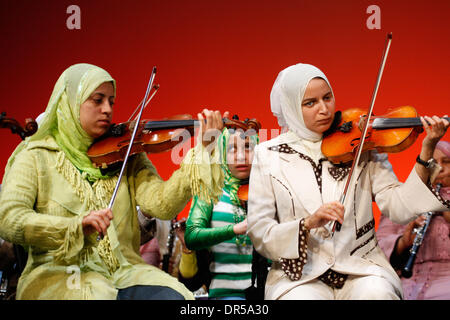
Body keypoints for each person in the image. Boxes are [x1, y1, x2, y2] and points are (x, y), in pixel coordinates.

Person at [0, 63, 227, 300]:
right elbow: (9, 218)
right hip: (59, 277)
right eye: (97, 100)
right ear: (70, 102)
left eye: (111, 101)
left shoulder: (126, 154)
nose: (107, 109)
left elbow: (162, 204)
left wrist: (202, 151)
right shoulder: (34, 156)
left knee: (175, 298)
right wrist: (74, 227)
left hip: (124, 272)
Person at [246, 63, 449, 300]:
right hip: (300, 275)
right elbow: (260, 230)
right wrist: (307, 223)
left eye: (327, 97)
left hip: (360, 267)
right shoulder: (268, 154)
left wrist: (427, 149)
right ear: (291, 107)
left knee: (377, 293)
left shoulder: (362, 143)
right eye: (310, 103)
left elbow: (399, 208)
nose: (324, 109)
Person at [184, 126, 258, 299]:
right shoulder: (210, 191)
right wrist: (234, 229)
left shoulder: (269, 190)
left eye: (248, 147)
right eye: (232, 149)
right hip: (227, 293)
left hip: (270, 287)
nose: (241, 156)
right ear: (222, 152)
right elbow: (191, 236)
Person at [377, 140, 450, 300]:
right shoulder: (403, 199)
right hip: (406, 281)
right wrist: (402, 242)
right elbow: (377, 248)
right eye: (433, 163)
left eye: (446, 162)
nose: (441, 168)